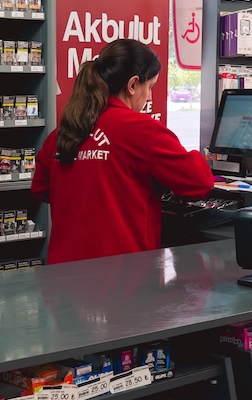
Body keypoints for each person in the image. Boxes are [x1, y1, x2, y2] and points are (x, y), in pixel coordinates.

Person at [32, 38, 214, 264]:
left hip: (63, 274)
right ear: (133, 84)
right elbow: (200, 182)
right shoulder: (143, 130)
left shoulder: (62, 132)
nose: (149, 97)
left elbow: (41, 190)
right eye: (150, 87)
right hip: (125, 276)